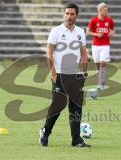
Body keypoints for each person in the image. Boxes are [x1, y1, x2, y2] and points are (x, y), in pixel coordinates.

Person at [39, 3, 90, 148]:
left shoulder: (80, 32)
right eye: (67, 13)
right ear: (64, 14)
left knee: (76, 108)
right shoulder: (56, 31)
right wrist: (53, 72)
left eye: (72, 14)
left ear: (76, 15)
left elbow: (84, 53)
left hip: (76, 75)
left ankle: (76, 140)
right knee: (57, 106)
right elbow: (49, 53)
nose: (69, 16)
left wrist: (85, 72)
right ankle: (45, 132)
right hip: (60, 74)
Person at [86, 2, 115, 90]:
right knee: (97, 65)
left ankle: (101, 84)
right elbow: (87, 32)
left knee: (103, 63)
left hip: (105, 45)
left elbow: (113, 30)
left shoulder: (109, 20)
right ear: (99, 10)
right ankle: (101, 81)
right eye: (105, 10)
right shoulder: (94, 21)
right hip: (95, 45)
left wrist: (111, 33)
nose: (106, 12)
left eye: (107, 10)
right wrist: (96, 34)